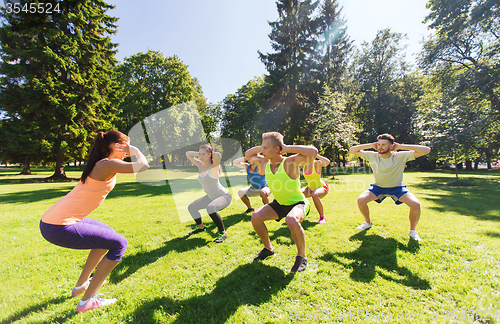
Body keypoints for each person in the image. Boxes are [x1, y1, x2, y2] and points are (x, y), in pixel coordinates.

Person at [40, 130, 149, 313]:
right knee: (119, 243)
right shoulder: (107, 164)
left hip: (57, 220)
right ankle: (87, 301)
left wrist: (130, 150)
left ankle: (81, 286)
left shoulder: (105, 163)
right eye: (126, 145)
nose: (128, 150)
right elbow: (143, 166)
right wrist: (136, 150)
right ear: (117, 145)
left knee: (108, 236)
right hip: (59, 225)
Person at [245, 132, 317, 272]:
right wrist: (264, 146)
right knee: (256, 217)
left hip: (298, 203)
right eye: (262, 148)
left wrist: (287, 147)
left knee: (291, 220)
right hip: (279, 203)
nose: (262, 151)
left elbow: (313, 153)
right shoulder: (264, 162)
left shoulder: (289, 162)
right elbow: (248, 155)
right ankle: (268, 248)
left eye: (266, 148)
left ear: (277, 149)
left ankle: (301, 257)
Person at [349, 133, 431, 241]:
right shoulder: (372, 156)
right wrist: (371, 144)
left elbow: (426, 150)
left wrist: (401, 147)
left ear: (391, 146)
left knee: (415, 205)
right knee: (361, 200)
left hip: (397, 188)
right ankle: (367, 223)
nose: (380, 147)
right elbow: (352, 150)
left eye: (383, 144)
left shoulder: (400, 156)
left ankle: (412, 231)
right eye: (378, 144)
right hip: (378, 187)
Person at [186, 144, 232, 243]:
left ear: (210, 154)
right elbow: (188, 154)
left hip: (224, 196)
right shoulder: (200, 165)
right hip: (211, 197)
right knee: (192, 207)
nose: (200, 157)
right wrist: (201, 153)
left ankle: (223, 233)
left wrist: (210, 152)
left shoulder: (214, 167)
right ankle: (201, 228)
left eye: (203, 154)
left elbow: (218, 155)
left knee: (210, 208)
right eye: (200, 154)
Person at [301, 154, 330, 223]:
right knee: (297, 194)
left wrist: (316, 155)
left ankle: (322, 217)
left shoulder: (317, 164)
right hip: (310, 188)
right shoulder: (303, 164)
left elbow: (327, 162)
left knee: (315, 195)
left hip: (322, 187)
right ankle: (301, 213)